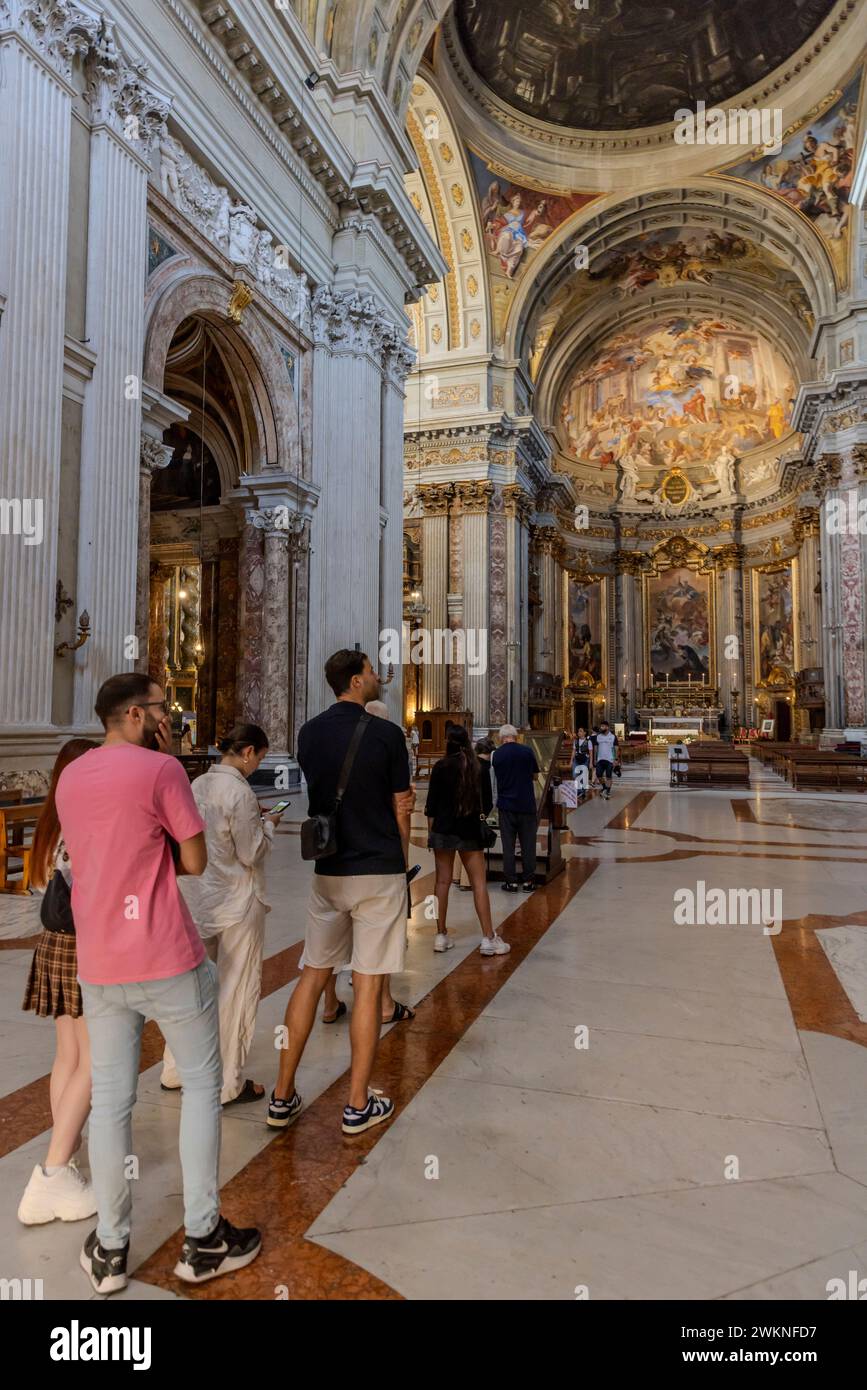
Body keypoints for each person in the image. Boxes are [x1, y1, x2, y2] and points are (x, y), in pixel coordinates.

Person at [56, 672, 261, 1295]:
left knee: (113, 1103)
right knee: (200, 1089)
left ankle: (112, 1248)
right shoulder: (161, 771)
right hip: (166, 957)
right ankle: (203, 1240)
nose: (168, 715)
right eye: (161, 707)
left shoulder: (71, 775)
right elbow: (194, 860)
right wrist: (167, 771)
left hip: (100, 963)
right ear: (138, 716)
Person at [268, 651, 415, 1137]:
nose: (378, 677)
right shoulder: (389, 735)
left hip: (329, 870)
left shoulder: (308, 733)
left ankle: (282, 1095)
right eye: (372, 671)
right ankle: (356, 1104)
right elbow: (400, 805)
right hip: (377, 870)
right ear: (356, 680)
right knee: (368, 985)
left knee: (312, 976)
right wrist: (402, 849)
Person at [161, 723, 282, 1105]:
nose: (258, 764)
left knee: (193, 988)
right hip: (236, 901)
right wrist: (269, 825)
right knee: (235, 988)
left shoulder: (196, 785)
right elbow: (251, 853)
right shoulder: (240, 792)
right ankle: (227, 1082)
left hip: (197, 898)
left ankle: (176, 1069)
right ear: (247, 752)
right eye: (260, 757)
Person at [17, 739, 100, 1226]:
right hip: (82, 945)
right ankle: (53, 1172)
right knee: (94, 1060)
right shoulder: (81, 825)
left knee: (67, 1055)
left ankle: (64, 1153)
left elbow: (36, 887)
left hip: (52, 944)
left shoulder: (50, 824)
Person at [321, 698, 415, 1027]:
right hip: (376, 861)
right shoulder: (387, 740)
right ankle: (384, 1004)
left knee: (328, 943)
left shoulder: (322, 738)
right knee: (379, 941)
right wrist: (403, 859)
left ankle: (330, 1002)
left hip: (332, 860)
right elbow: (401, 808)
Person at [424, 727, 507, 954]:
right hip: (469, 830)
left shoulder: (440, 767)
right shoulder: (477, 767)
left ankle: (440, 935)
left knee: (441, 883)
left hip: (443, 830)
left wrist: (432, 835)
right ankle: (488, 938)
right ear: (467, 743)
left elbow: (431, 806)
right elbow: (488, 802)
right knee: (479, 883)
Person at [492, 725, 540, 892]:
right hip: (526, 804)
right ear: (516, 736)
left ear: (501, 738)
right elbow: (535, 775)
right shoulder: (527, 751)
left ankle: (511, 882)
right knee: (528, 844)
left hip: (506, 805)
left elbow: (498, 777)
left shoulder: (497, 754)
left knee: (508, 845)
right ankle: (528, 881)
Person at [592, 721, 619, 800]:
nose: (601, 728)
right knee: (599, 775)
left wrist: (616, 759)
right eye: (601, 726)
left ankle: (608, 791)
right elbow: (596, 748)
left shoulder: (613, 736)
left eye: (603, 726)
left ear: (607, 727)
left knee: (608, 776)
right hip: (600, 759)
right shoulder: (598, 736)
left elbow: (616, 748)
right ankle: (604, 787)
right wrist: (594, 758)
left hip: (610, 760)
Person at [571, 726, 593, 801]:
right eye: (578, 731)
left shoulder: (588, 741)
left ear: (584, 733)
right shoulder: (575, 741)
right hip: (576, 759)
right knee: (575, 775)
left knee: (583, 775)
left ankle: (582, 791)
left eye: (580, 731)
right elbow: (574, 751)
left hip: (585, 759)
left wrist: (590, 763)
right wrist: (571, 760)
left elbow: (590, 752)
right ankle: (579, 791)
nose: (578, 733)